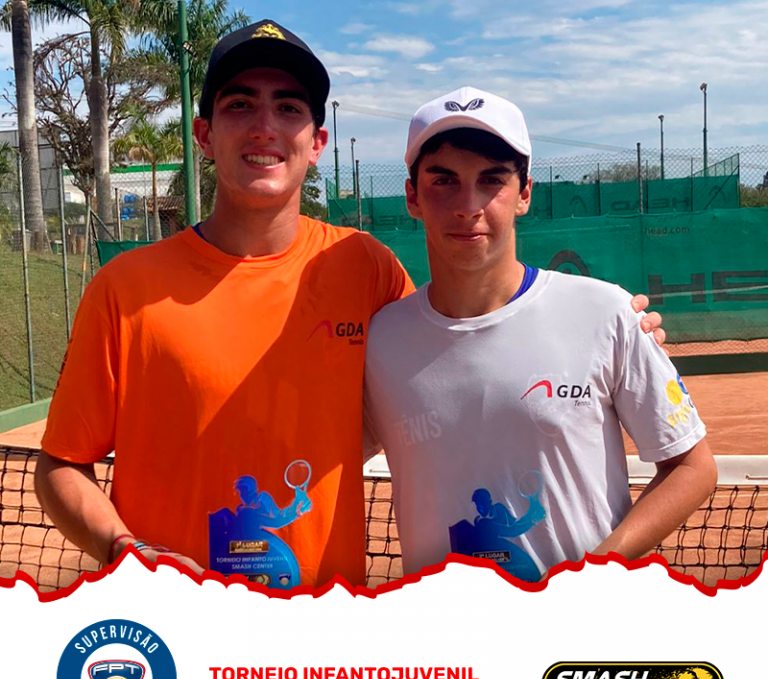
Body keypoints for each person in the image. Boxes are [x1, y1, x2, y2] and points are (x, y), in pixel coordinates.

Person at [34, 22, 663, 590]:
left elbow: (455, 346)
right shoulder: (124, 288)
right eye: (239, 104)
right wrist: (127, 552)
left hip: (325, 633)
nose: (264, 126)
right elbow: (61, 464)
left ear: (317, 142)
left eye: (288, 107)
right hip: (175, 625)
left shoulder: (365, 267)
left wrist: (614, 330)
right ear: (204, 134)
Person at [363, 87, 717, 583]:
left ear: (525, 193)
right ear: (412, 197)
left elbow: (692, 467)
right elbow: (316, 455)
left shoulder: (606, 312)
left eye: (492, 180)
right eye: (444, 180)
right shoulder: (380, 339)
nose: (468, 205)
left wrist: (595, 573)